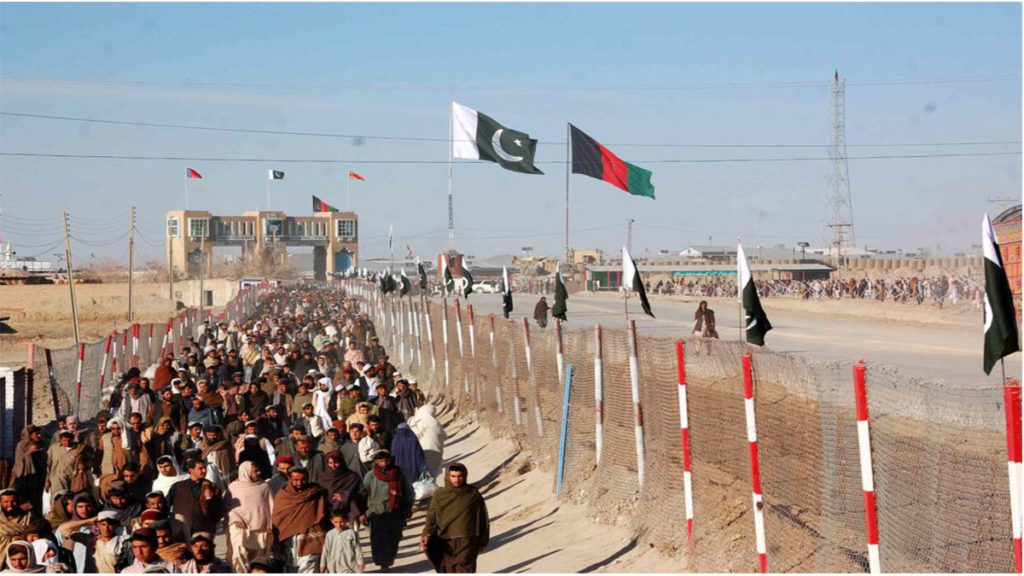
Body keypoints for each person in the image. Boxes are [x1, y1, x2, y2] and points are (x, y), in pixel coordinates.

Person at [421, 463, 489, 573]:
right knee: (448, 568)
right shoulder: (440, 495)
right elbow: (431, 515)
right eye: (453, 476)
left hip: (467, 538)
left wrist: (483, 540)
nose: (457, 480)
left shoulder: (472, 494)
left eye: (460, 476)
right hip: (445, 539)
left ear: (465, 476)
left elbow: (482, 518)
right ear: (448, 477)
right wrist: (426, 533)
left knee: (465, 567)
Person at [362, 451, 413, 573]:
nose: (384, 464)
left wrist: (408, 508)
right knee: (379, 541)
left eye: (386, 461)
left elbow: (408, 492)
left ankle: (389, 560)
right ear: (376, 462)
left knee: (394, 538)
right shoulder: (370, 476)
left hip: (395, 512)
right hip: (377, 513)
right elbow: (363, 495)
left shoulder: (398, 474)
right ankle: (383, 564)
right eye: (381, 461)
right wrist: (363, 513)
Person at [271, 467, 329, 573]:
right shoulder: (283, 495)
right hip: (289, 540)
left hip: (311, 538)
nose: (299, 483)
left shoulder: (316, 492)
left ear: (308, 478)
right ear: (290, 479)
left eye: (303, 480)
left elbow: (326, 513)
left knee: (309, 566)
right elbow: (278, 518)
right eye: (296, 480)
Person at [224, 462, 273, 573]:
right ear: (245, 471)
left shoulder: (263, 486)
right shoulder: (233, 487)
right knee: (238, 555)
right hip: (239, 527)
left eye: (258, 470)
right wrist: (235, 517)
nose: (258, 473)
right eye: (255, 471)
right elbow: (227, 507)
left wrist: (271, 524)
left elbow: (271, 505)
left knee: (258, 557)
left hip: (260, 527)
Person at [407, 404, 446, 478]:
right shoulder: (435, 424)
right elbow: (444, 435)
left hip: (421, 455)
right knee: (433, 474)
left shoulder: (414, 422)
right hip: (436, 453)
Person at [0, 491, 33, 560]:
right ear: (1, 503)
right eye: (6, 502)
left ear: (18, 502)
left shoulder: (28, 518)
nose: (10, 505)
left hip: (20, 558)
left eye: (13, 501)